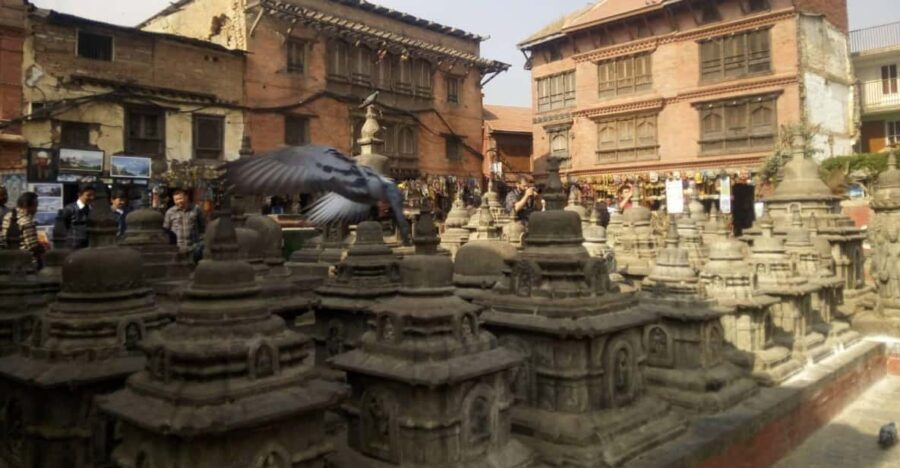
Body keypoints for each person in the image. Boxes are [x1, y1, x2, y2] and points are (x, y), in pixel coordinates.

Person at [1, 192, 45, 268]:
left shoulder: (7, 216)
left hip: (8, 259)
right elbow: (32, 246)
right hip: (26, 262)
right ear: (27, 206)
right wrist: (43, 248)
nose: (36, 210)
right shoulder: (26, 221)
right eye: (35, 206)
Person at [163, 189, 206, 257]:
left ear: (186, 197)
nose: (178, 201)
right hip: (177, 248)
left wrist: (201, 243)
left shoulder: (196, 209)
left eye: (180, 198)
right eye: (176, 200)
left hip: (194, 248)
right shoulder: (170, 212)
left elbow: (202, 227)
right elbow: (166, 230)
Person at [59, 184, 95, 249]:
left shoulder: (91, 209)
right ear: (79, 194)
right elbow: (63, 226)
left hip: (88, 245)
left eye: (93, 195)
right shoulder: (69, 209)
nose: (91, 198)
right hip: (73, 245)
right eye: (88, 195)